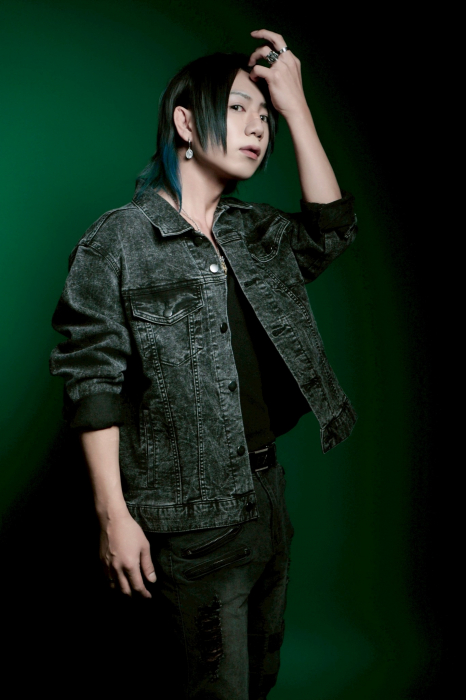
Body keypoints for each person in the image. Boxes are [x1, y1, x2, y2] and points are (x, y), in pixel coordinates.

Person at [49, 28, 357, 699]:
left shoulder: (254, 232)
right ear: (187, 124)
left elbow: (331, 230)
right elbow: (91, 380)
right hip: (190, 521)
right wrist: (113, 517)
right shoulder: (119, 240)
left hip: (267, 501)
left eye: (265, 116)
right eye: (239, 108)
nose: (258, 127)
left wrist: (297, 105)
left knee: (259, 682)